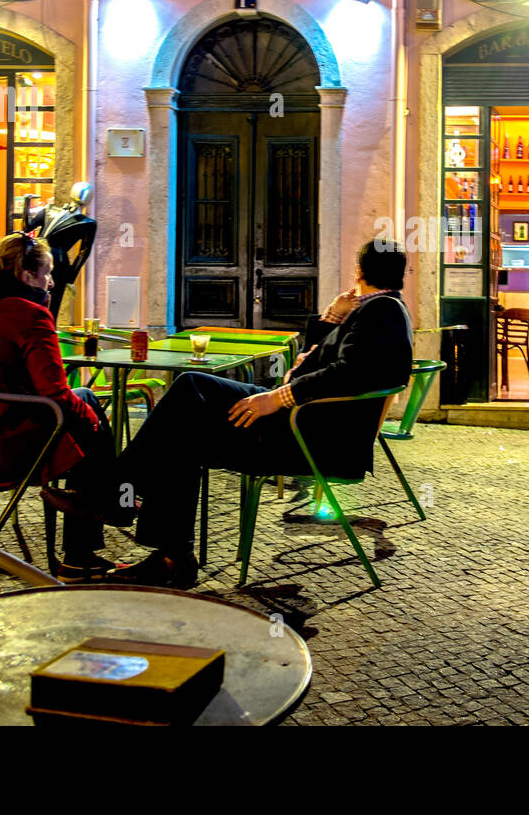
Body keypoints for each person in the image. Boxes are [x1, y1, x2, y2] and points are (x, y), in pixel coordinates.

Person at [105, 239, 414, 588]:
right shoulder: (378, 309)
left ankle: (116, 496)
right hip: (303, 425)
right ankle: (168, 553)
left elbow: (349, 373)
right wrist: (331, 316)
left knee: (190, 389)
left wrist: (277, 398)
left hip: (304, 434)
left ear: (359, 270)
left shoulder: (382, 312)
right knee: (184, 427)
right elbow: (320, 358)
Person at [0, 233, 123, 582]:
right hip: (1, 448)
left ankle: (108, 502)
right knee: (87, 414)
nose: (51, 281)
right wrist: (94, 422)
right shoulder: (30, 314)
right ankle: (98, 524)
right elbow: (55, 393)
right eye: (47, 272)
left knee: (84, 399)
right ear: (26, 275)